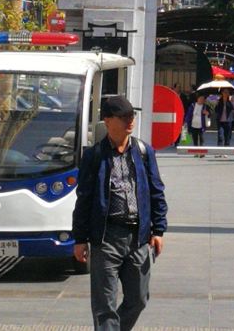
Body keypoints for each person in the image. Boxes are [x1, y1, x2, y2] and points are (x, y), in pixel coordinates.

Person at [72, 95, 168, 331]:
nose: (130, 121)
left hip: (138, 237)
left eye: (131, 116)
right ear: (107, 121)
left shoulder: (144, 151)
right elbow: (84, 199)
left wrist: (158, 230)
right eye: (124, 117)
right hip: (106, 238)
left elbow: (156, 191)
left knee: (139, 299)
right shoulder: (94, 156)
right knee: (104, 306)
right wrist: (80, 239)